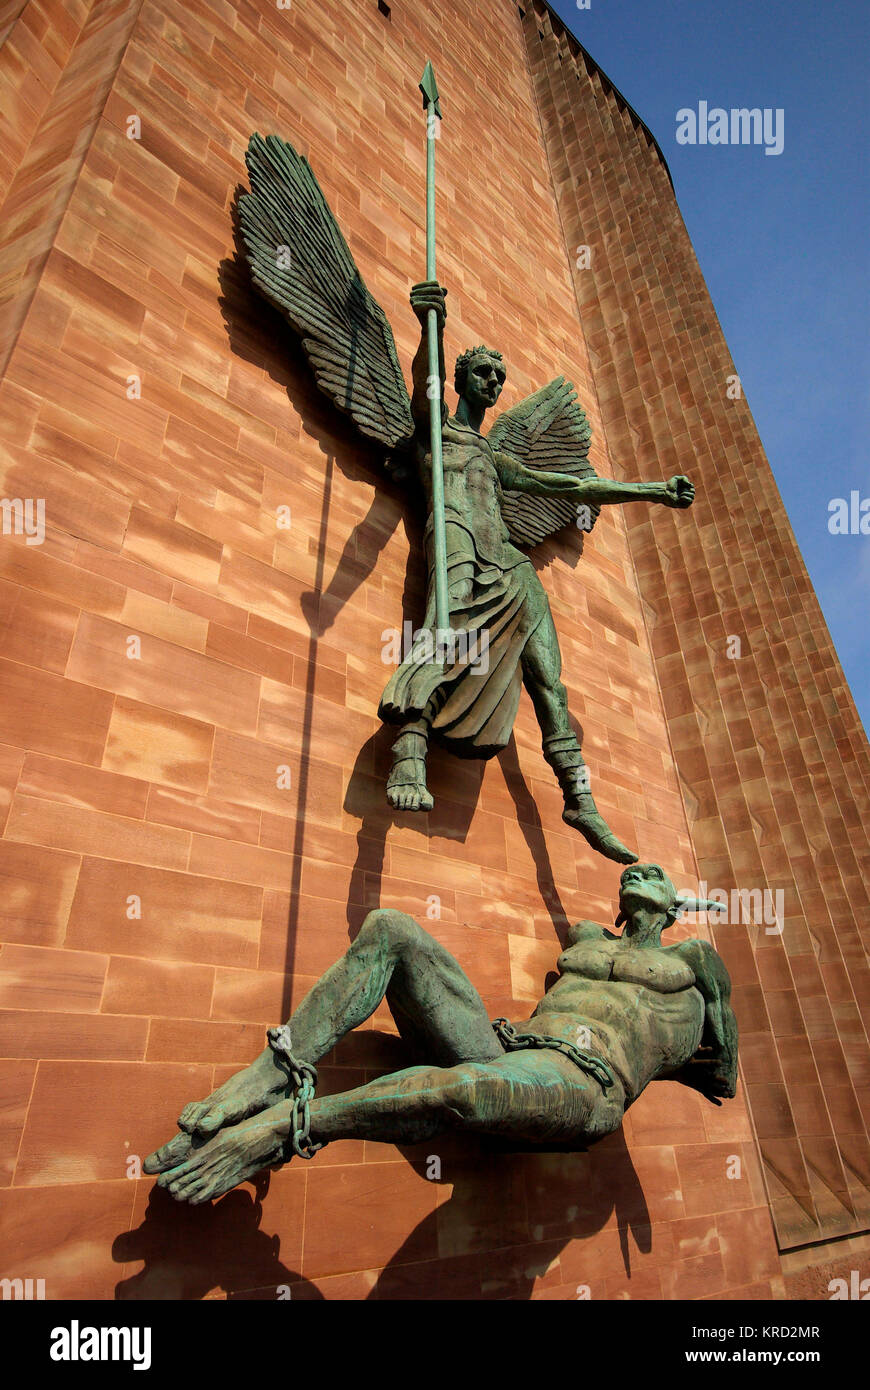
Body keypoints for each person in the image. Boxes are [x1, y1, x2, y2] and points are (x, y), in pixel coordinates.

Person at [145, 863, 736, 1205]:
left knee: (466, 1088)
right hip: (513, 1046)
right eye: (633, 868)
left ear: (673, 904)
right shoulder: (585, 939)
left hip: (583, 1084)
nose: (639, 870)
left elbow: (724, 1062)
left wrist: (693, 1066)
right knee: (392, 928)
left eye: (655, 872)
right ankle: (270, 1074)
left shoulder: (693, 959)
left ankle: (278, 1129)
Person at [379, 281, 695, 865]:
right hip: (455, 543)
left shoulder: (496, 457)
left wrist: (651, 490)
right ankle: (410, 748)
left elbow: (571, 486)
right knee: (441, 637)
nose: (494, 383)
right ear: (461, 378)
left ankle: (579, 798)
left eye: (500, 378)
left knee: (550, 680)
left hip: (512, 568)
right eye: (483, 373)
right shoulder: (433, 432)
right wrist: (434, 325)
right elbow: (424, 383)